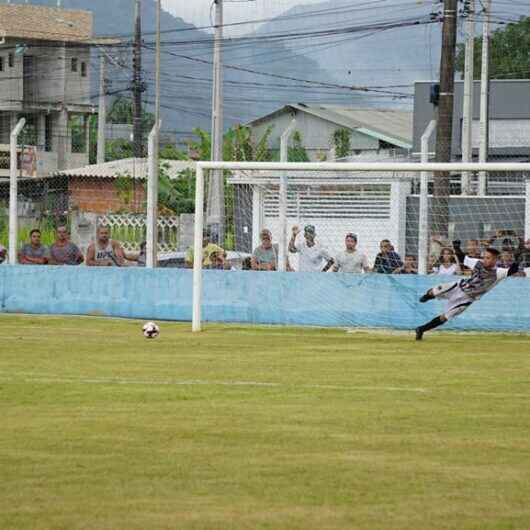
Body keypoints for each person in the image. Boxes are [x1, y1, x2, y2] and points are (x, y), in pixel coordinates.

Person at [415, 244, 519, 341]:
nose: (485, 260)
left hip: (467, 298)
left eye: (488, 258)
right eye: (484, 257)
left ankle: (421, 329)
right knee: (433, 291)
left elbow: (512, 270)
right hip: (458, 286)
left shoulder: (498, 272)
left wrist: (518, 257)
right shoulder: (478, 263)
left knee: (446, 316)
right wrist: (457, 247)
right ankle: (427, 296)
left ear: (495, 260)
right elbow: (463, 259)